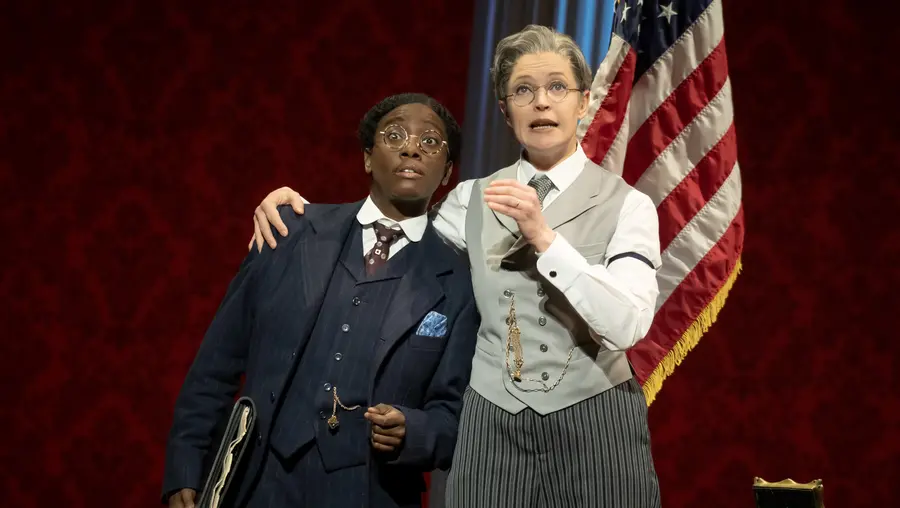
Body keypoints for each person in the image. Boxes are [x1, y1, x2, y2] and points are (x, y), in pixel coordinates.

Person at [250, 25, 662, 508]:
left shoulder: (631, 206)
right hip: (491, 425)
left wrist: (545, 239)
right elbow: (393, 242)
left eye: (557, 87)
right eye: (523, 90)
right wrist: (308, 218)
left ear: (584, 101)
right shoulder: (469, 199)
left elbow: (628, 324)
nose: (542, 103)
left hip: (598, 424)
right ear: (506, 112)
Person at [162, 93, 479, 508]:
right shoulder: (288, 232)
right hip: (259, 484)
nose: (411, 147)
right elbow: (217, 365)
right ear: (368, 158)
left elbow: (454, 413)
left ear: (446, 173)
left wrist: (415, 431)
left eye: (430, 142)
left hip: (371, 492)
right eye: (395, 134)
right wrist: (187, 466)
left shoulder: (459, 282)